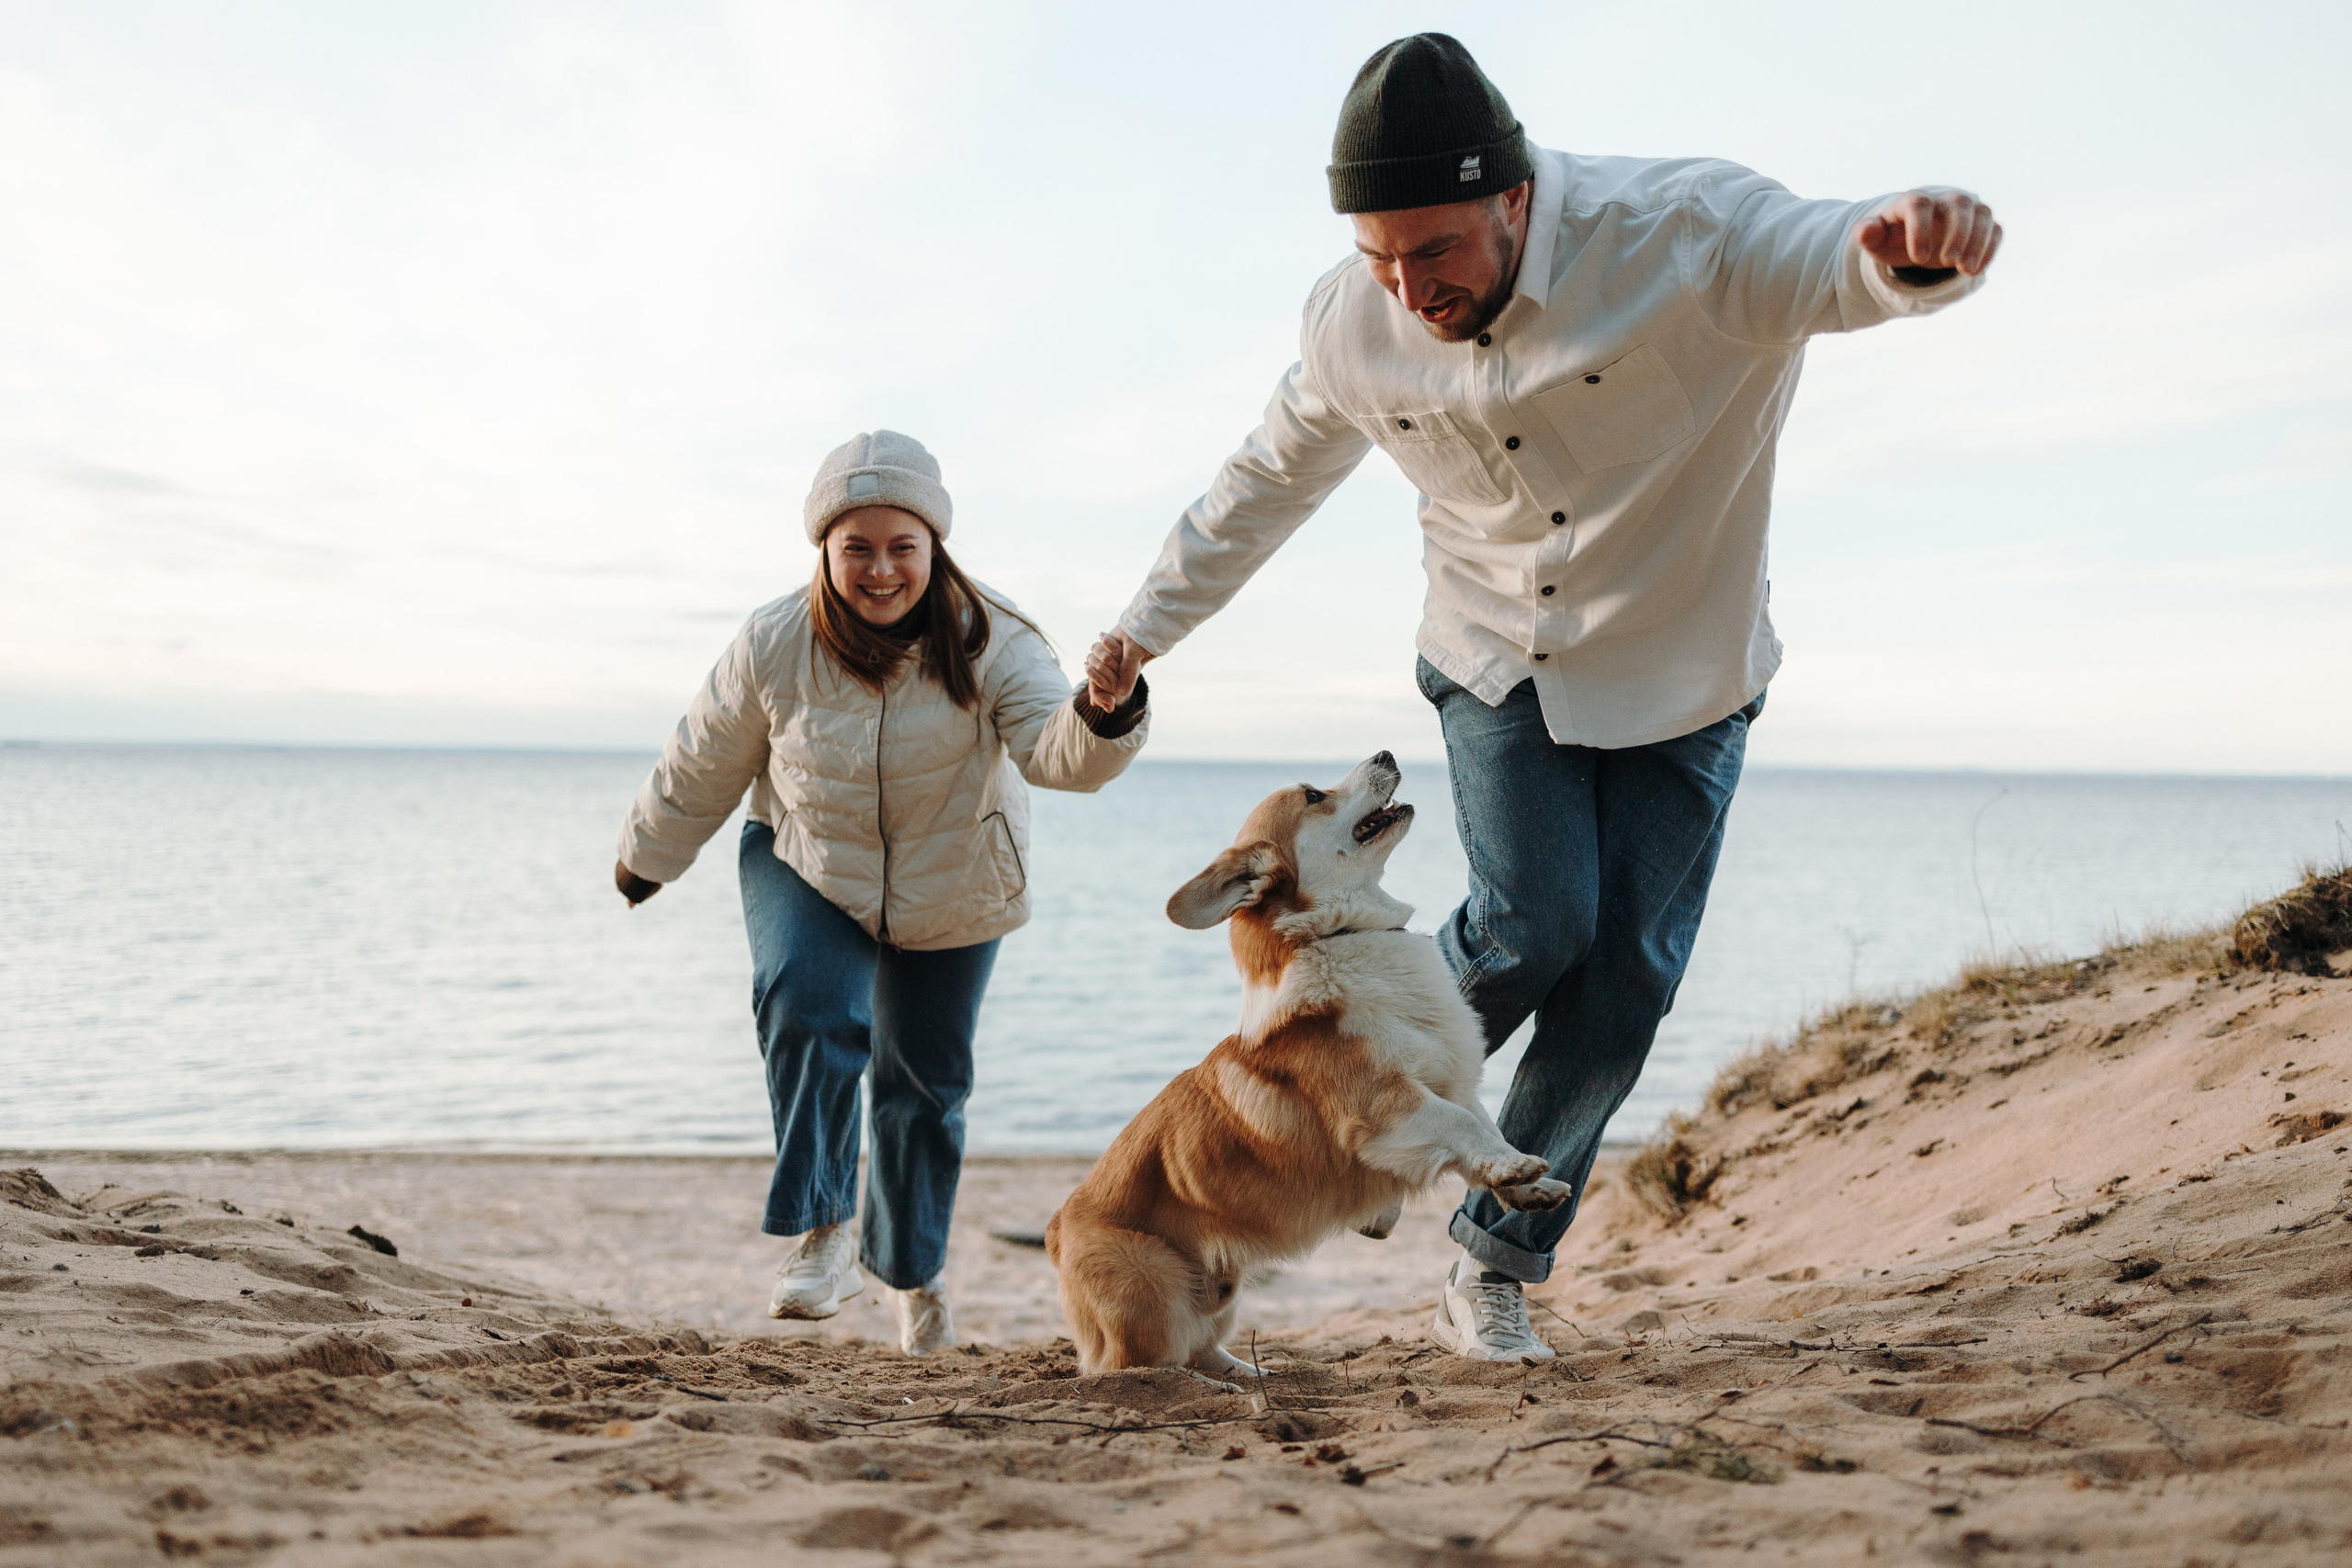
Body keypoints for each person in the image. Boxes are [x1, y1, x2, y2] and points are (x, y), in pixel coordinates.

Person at [1085, 35, 1999, 1360]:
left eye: (1435, 251)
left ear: (1514, 198)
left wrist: (1905, 255)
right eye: (1379, 258)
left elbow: (1823, 257)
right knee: (1532, 921)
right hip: (1495, 649)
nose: (1410, 291)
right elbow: (1262, 482)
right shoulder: (1352, 322)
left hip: (1685, 667)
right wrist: (1143, 630)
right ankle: (1367, 1102)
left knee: (1624, 977)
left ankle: (1489, 1260)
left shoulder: (1681, 233)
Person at [616, 430, 1148, 1355]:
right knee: (807, 1003)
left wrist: (1105, 713)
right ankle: (824, 1230)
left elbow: (1054, 752)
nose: (880, 568)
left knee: (923, 1089)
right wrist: (646, 857)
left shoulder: (993, 636)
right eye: (855, 546)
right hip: (807, 856)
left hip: (955, 874)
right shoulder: (774, 641)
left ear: (933, 546)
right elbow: (702, 758)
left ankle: (912, 1274)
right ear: (823, 549)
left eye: (902, 545)